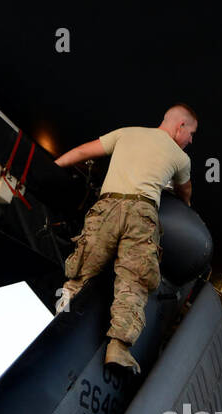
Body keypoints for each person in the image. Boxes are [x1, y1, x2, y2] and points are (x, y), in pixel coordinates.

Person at [54, 104, 197, 374]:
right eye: (191, 133)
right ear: (180, 127)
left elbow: (83, 151)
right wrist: (185, 206)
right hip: (142, 215)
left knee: (82, 270)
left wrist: (53, 168)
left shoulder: (126, 133)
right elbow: (185, 193)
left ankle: (62, 317)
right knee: (133, 281)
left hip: (107, 207)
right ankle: (118, 350)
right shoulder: (180, 158)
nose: (191, 140)